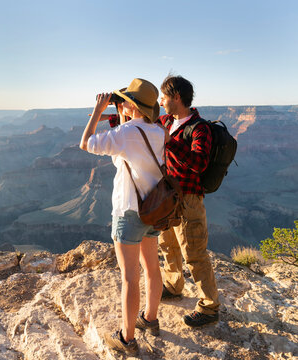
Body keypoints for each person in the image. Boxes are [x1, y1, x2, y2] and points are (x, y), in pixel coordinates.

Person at [79, 78, 164, 356]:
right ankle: (150, 318)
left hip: (128, 211)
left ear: (132, 105)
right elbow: (129, 137)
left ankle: (127, 338)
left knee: (130, 277)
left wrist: (96, 112)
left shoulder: (127, 132)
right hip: (153, 208)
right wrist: (117, 114)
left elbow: (86, 143)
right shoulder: (158, 130)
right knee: (152, 268)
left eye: (124, 100)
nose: (120, 103)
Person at [157, 75, 221, 326]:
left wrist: (169, 140)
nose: (161, 102)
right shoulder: (165, 121)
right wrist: (114, 117)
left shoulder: (199, 128)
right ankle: (174, 285)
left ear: (176, 97)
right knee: (168, 246)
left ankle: (209, 307)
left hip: (189, 200)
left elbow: (198, 163)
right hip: (166, 197)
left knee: (194, 253)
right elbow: (142, 123)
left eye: (164, 97)